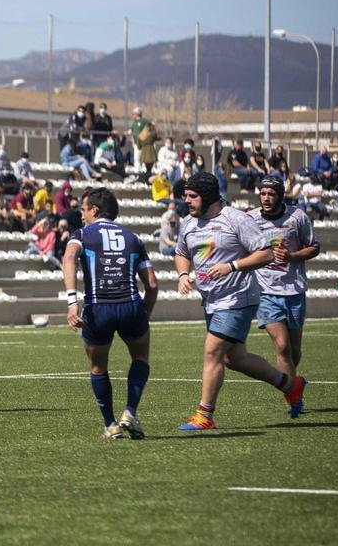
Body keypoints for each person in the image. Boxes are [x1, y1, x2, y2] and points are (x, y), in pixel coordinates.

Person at [173, 172, 306, 431]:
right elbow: (181, 252)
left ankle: (205, 415)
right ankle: (291, 385)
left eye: (192, 196)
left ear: (208, 196)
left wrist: (232, 266)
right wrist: (183, 274)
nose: (186, 200)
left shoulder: (236, 219)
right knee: (234, 359)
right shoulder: (188, 222)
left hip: (238, 298)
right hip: (211, 299)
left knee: (212, 351)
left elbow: (266, 253)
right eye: (185, 196)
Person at [62, 187, 158, 439]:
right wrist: (143, 316)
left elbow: (69, 258)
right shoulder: (133, 237)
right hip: (131, 305)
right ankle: (130, 412)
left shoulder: (82, 234)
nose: (82, 215)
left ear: (94, 210)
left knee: (98, 367)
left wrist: (72, 302)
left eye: (84, 210)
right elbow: (152, 284)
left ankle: (110, 425)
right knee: (140, 358)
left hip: (98, 307)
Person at [247, 175, 320, 383]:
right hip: (265, 291)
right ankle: (293, 394)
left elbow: (314, 247)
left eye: (271, 194)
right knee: (282, 346)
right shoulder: (250, 219)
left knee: (294, 351)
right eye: (262, 193)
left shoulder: (297, 217)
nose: (266, 198)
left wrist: (291, 257)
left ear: (280, 196)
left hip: (294, 289)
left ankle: (290, 384)